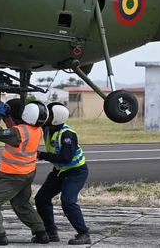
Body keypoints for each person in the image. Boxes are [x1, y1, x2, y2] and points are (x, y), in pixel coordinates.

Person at [0, 99, 50, 245]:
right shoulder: (36, 130)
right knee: (21, 203)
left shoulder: (19, 132)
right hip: (28, 173)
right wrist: (7, 117)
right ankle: (40, 232)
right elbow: (15, 132)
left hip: (12, 175)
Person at [34, 103, 91, 245]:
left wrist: (41, 155)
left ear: (56, 118)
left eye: (49, 115)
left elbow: (66, 158)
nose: (45, 117)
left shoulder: (67, 135)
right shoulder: (48, 128)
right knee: (41, 198)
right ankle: (51, 232)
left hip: (75, 172)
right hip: (60, 171)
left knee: (68, 201)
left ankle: (84, 233)